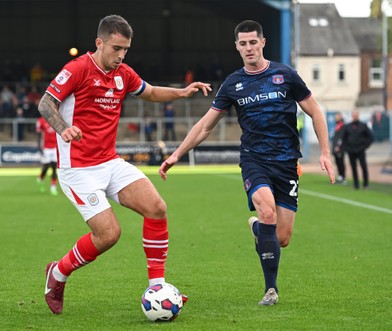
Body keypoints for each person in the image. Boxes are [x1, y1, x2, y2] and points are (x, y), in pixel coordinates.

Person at [38, 14, 211, 314]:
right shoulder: (77, 69)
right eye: (116, 48)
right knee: (109, 235)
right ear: (99, 42)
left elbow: (151, 92)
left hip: (110, 162)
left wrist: (181, 92)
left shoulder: (124, 74)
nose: (121, 55)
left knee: (157, 208)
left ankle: (157, 287)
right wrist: (63, 127)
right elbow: (45, 102)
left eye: (126, 50)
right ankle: (58, 273)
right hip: (78, 168)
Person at [159, 20, 335, 306]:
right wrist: (177, 154)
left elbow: (315, 111)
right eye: (243, 43)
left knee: (282, 237)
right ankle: (271, 289)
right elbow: (205, 126)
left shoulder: (285, 75)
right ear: (237, 47)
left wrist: (325, 152)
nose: (249, 48)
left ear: (262, 43)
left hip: (287, 162)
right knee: (267, 212)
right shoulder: (232, 84)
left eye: (253, 42)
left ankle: (257, 231)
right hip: (254, 160)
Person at [342, 110, 373, 190]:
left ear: (358, 116)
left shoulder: (363, 125)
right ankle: (356, 184)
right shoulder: (347, 126)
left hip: (360, 150)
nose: (355, 116)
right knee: (353, 167)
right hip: (351, 151)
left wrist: (365, 146)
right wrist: (346, 148)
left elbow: (370, 137)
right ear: (352, 116)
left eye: (356, 115)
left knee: (363, 166)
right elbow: (343, 138)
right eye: (354, 115)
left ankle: (365, 184)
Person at [36, 116, 58, 196]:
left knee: (54, 168)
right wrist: (39, 147)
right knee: (45, 167)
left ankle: (53, 187)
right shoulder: (41, 121)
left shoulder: (56, 119)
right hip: (46, 148)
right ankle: (41, 177)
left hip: (55, 147)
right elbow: (38, 135)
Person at [332, 112, 346, 184]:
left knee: (341, 162)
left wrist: (338, 146)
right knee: (337, 162)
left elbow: (341, 137)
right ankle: (340, 176)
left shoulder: (342, 125)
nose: (336, 117)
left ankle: (343, 177)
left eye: (337, 116)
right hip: (335, 148)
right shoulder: (337, 125)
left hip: (340, 148)